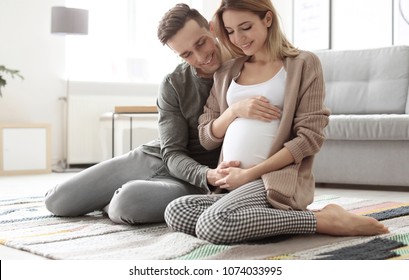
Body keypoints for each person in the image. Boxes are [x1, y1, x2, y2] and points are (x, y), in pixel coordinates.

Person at [164, 0, 389, 244]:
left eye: (246, 27)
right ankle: (254, 214)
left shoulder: (303, 64)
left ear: (267, 19)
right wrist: (235, 111)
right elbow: (206, 137)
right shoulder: (227, 72)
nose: (238, 38)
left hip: (271, 180)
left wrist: (250, 174)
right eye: (230, 31)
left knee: (213, 226)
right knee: (176, 211)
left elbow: (309, 140)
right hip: (232, 183)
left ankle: (323, 221)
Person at [44, 3, 237, 225]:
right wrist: (206, 174)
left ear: (212, 29)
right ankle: (115, 194)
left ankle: (115, 197)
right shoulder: (173, 83)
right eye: (186, 54)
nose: (201, 57)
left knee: (125, 204)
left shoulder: (246, 69)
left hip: (193, 182)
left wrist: (208, 176)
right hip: (155, 158)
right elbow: (172, 153)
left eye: (201, 43)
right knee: (57, 201)